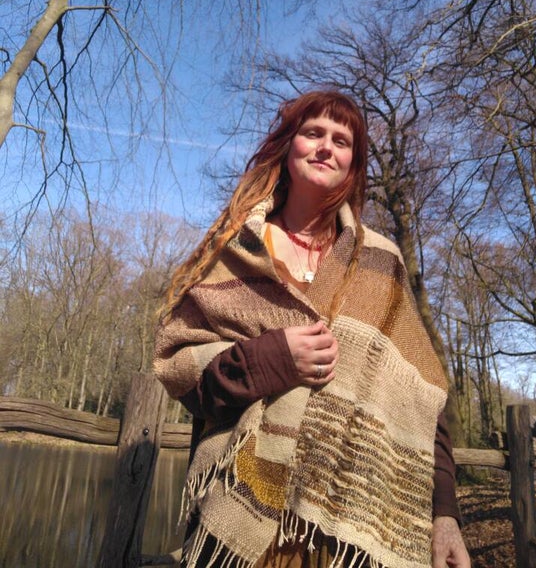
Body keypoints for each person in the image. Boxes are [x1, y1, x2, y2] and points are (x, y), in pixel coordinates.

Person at [153, 89, 470, 568]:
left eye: (341, 141)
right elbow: (183, 373)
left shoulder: (381, 264)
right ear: (289, 145)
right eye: (313, 133)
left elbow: (423, 401)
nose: (325, 147)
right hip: (242, 521)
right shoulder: (236, 248)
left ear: (353, 164)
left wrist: (445, 516)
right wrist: (272, 359)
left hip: (346, 535)